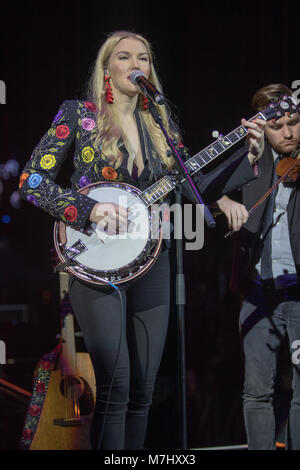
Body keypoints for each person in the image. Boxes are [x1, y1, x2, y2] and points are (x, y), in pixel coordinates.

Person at [18, 30, 262, 450]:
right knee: (116, 385)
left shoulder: (160, 124)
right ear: (107, 70)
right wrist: (88, 209)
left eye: (144, 58)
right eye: (125, 56)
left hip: (154, 261)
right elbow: (32, 179)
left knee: (143, 392)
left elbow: (194, 184)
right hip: (96, 266)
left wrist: (249, 157)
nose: (136, 64)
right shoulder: (79, 114)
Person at [215, 83, 300, 450]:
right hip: (258, 293)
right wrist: (224, 202)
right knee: (256, 390)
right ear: (262, 127)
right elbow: (199, 184)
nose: (289, 133)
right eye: (278, 126)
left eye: (295, 123)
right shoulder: (252, 159)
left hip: (298, 293)